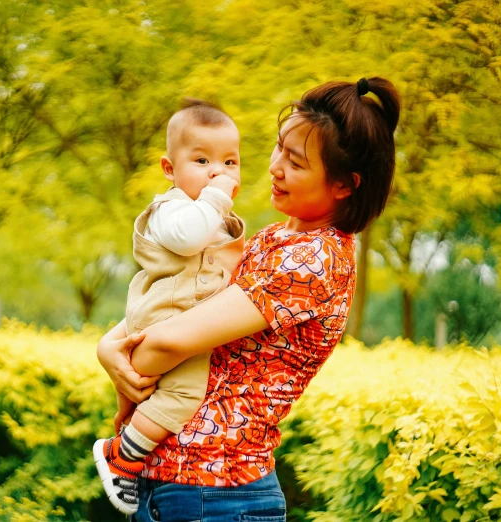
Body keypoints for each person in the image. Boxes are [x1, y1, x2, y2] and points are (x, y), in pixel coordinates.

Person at [97, 77, 400, 522]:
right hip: (178, 486)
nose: (275, 167)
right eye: (279, 148)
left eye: (295, 163)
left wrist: (128, 365)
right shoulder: (273, 239)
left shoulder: (315, 261)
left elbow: (168, 342)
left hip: (218, 495)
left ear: (343, 185)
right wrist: (108, 348)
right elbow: (180, 298)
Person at [93, 99, 246, 515]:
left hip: (177, 316)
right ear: (169, 169)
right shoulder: (171, 209)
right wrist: (216, 199)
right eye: (202, 160)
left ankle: (127, 424)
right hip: (166, 315)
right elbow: (186, 239)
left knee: (148, 388)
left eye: (230, 162)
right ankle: (121, 457)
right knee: (184, 392)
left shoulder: (211, 216)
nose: (218, 172)